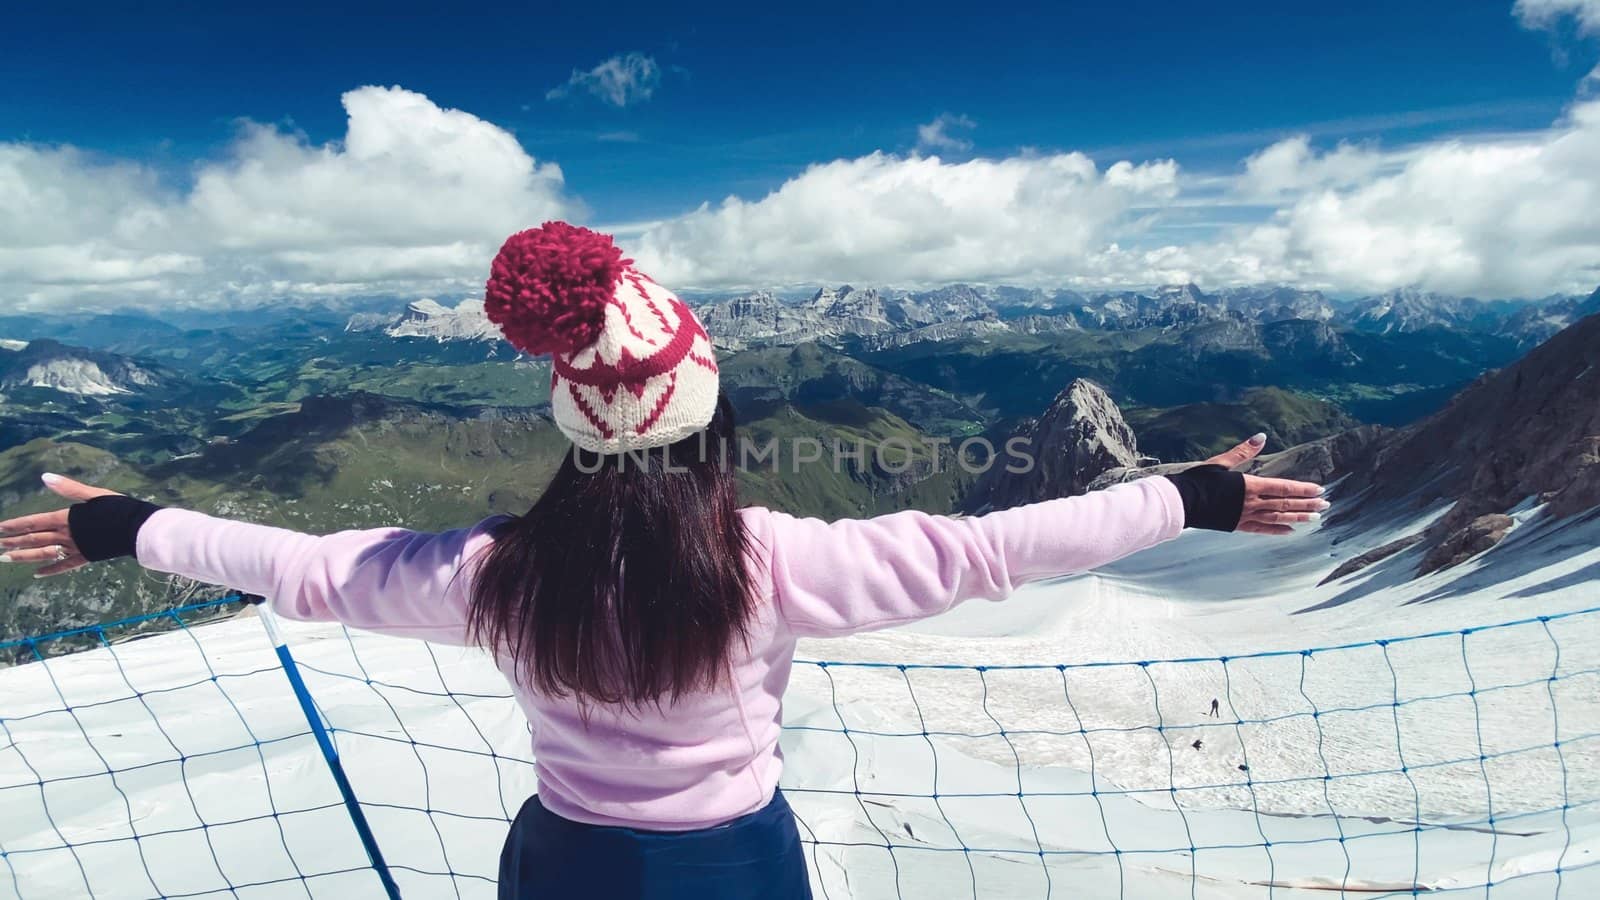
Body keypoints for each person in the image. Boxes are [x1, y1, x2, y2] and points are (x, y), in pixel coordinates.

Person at [0, 222, 1327, 900]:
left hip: (565, 860)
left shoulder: (496, 573)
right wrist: (1189, 497)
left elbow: (303, 566)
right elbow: (993, 551)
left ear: (573, 437)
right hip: (732, 866)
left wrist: (128, 524)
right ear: (712, 423)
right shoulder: (769, 561)